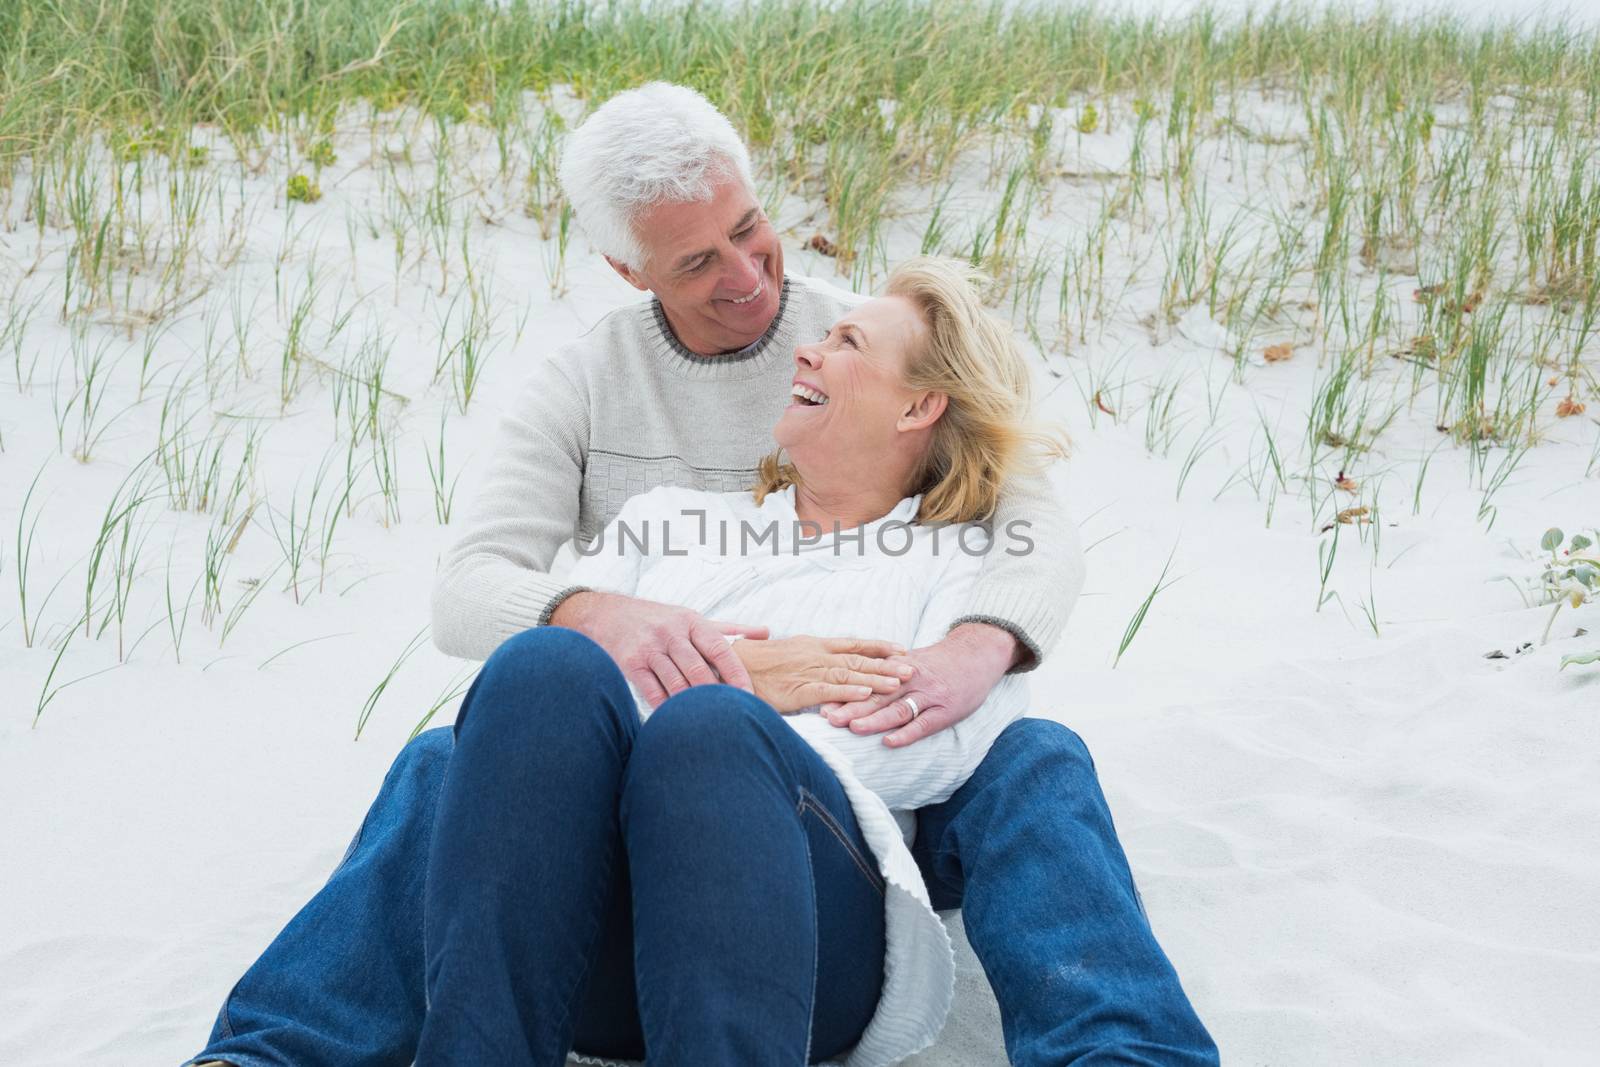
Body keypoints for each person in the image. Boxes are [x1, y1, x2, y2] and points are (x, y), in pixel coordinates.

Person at [189, 83, 1217, 1067]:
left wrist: (979, 642)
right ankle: (284, 1047)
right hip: (618, 831)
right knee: (486, 724)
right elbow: (472, 593)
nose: (751, 279)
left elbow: (1023, 510)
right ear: (631, 270)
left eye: (749, 226)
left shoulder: (886, 388)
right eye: (694, 260)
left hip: (812, 851)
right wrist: (667, 642)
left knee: (1023, 750)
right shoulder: (623, 449)